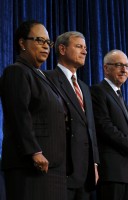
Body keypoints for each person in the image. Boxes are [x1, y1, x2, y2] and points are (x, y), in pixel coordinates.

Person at [1, 20, 70, 200]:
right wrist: (35, 152)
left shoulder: (41, 75)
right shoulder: (16, 71)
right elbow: (19, 114)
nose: (46, 46)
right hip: (31, 166)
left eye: (48, 42)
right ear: (22, 43)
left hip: (53, 168)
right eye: (39, 40)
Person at [45, 31, 99, 200]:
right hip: (61, 171)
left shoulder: (84, 87)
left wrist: (95, 163)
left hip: (85, 172)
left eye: (85, 48)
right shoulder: (48, 79)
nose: (84, 52)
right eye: (78, 47)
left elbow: (91, 128)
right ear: (62, 49)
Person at [90, 49, 128, 200]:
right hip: (112, 172)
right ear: (106, 68)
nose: (124, 70)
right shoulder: (98, 91)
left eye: (127, 66)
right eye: (119, 65)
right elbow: (104, 126)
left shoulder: (120, 95)